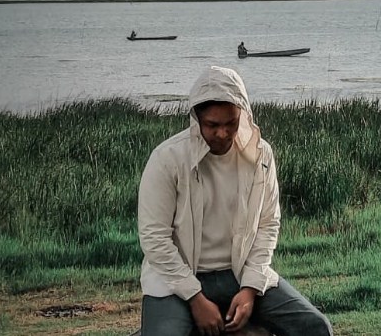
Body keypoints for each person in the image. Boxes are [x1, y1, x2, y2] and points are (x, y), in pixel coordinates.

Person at [138, 66, 333, 336]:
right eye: (212, 125)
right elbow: (154, 239)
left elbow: (268, 224)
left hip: (239, 273)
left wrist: (251, 288)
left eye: (231, 123)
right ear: (196, 119)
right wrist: (195, 298)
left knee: (315, 327)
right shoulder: (167, 159)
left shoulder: (260, 155)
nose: (222, 133)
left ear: (242, 114)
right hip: (176, 280)